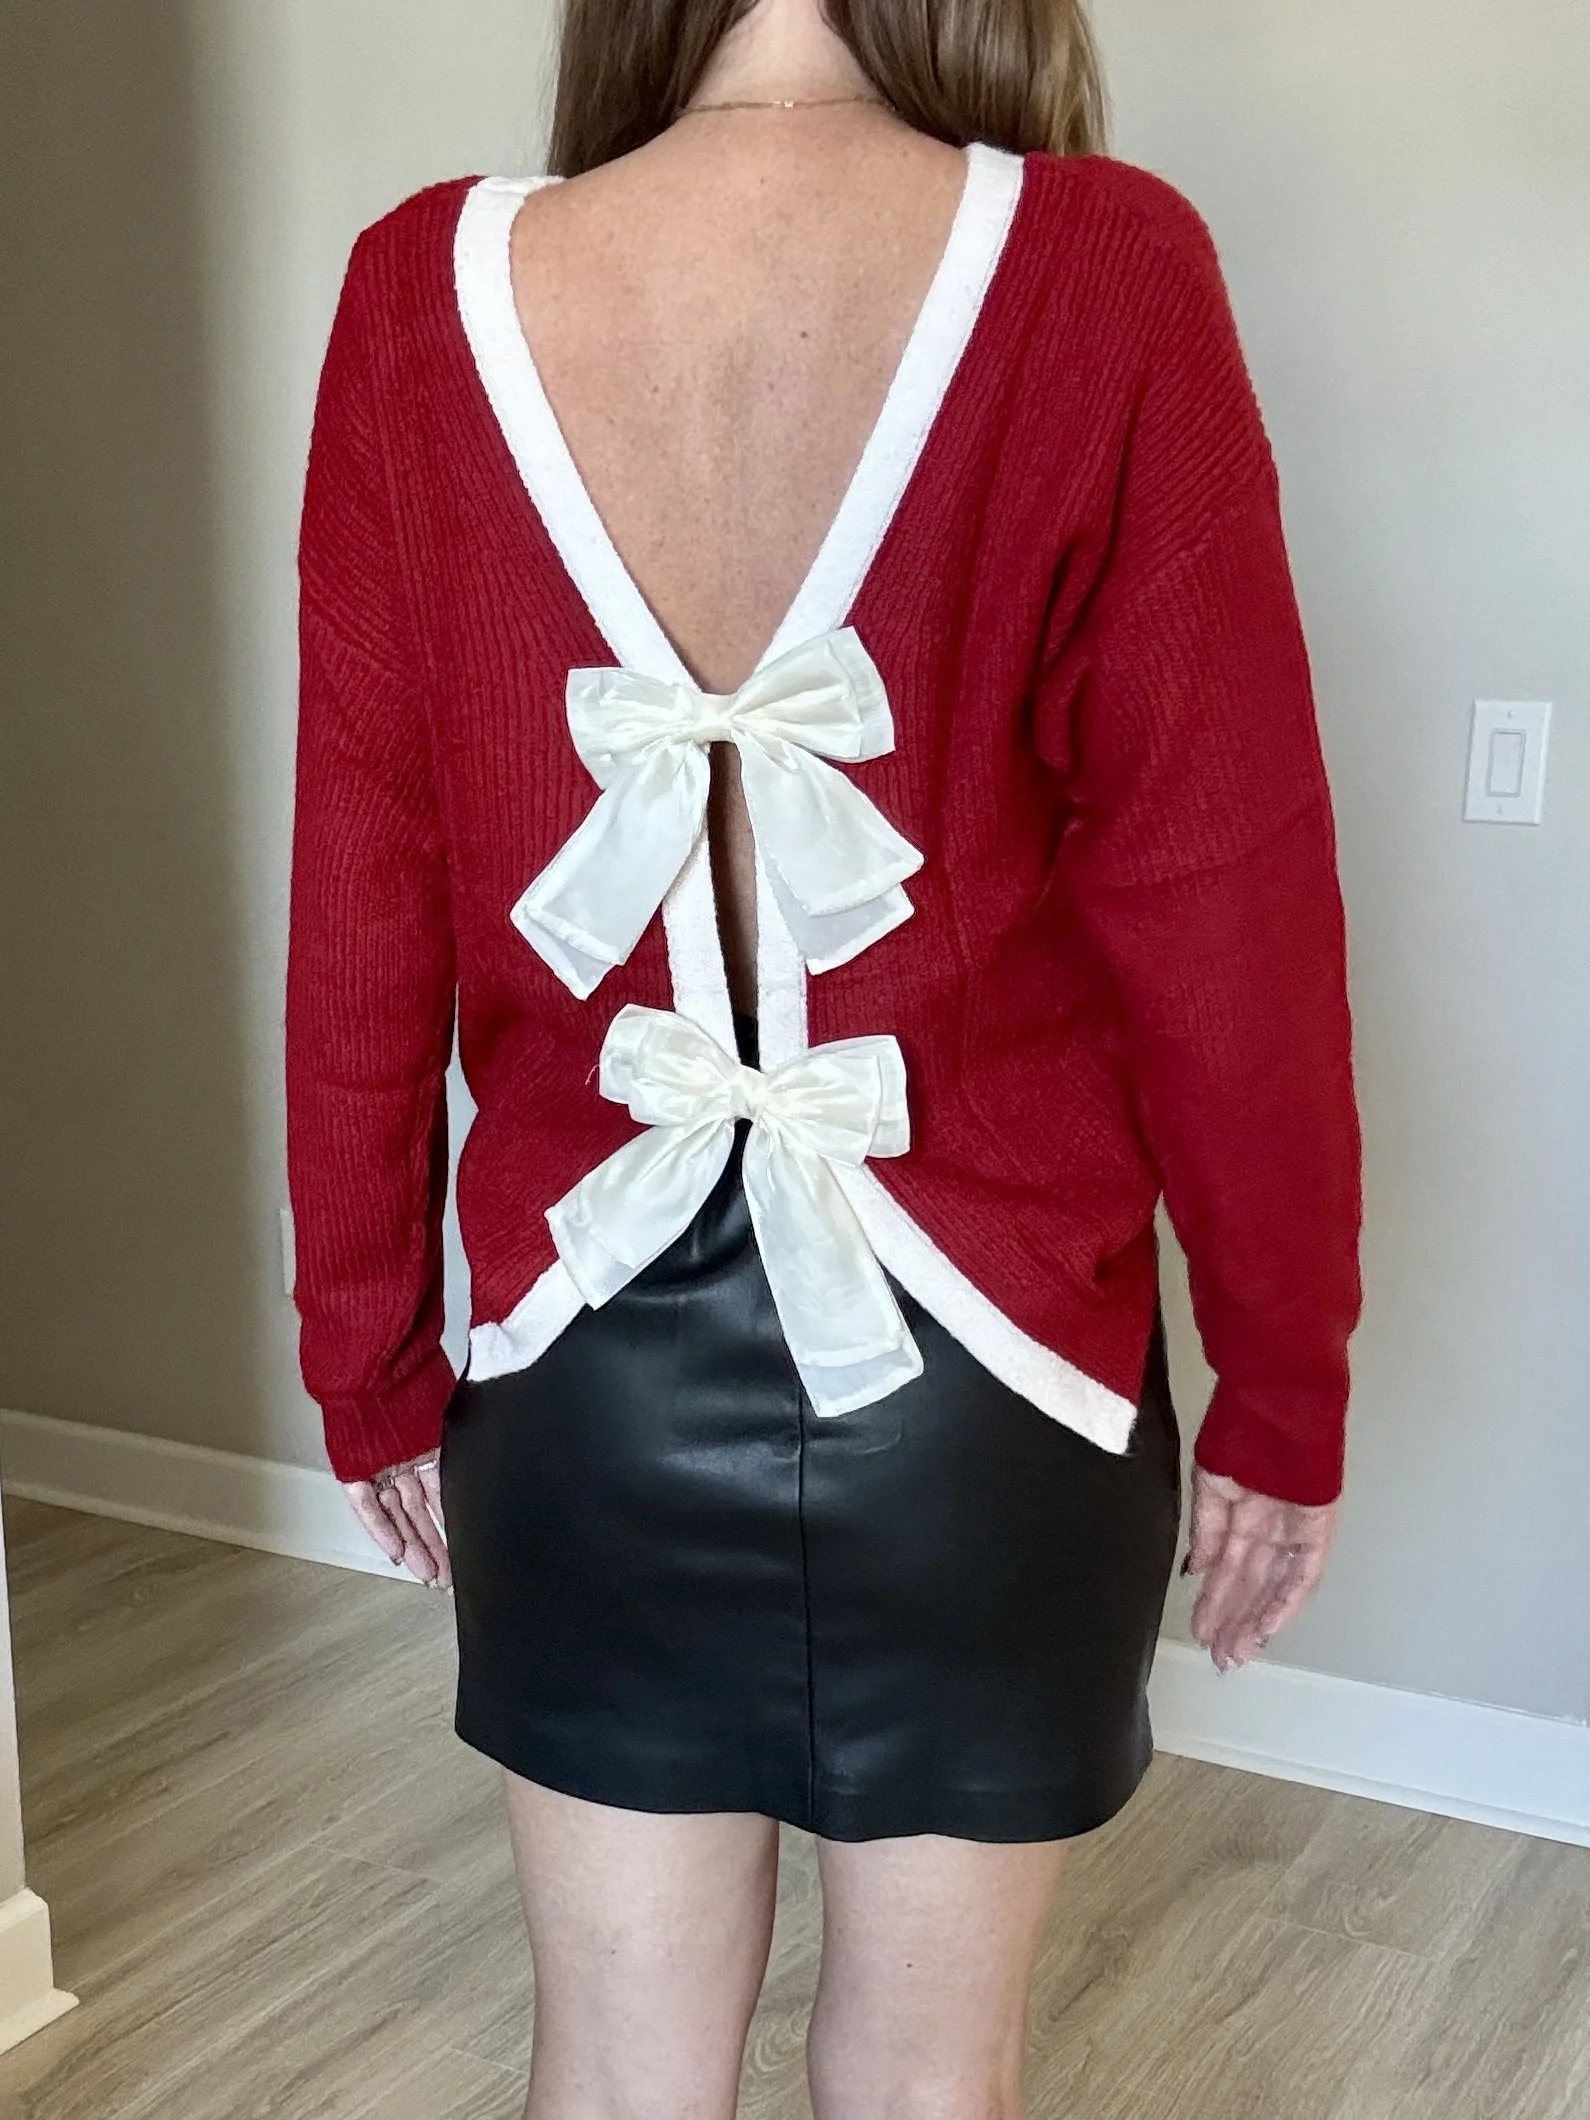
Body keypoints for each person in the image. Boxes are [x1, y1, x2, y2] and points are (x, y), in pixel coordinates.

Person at [284, 0, 1363, 2111]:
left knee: (615, 2073)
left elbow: (363, 893)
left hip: (579, 1377)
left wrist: (368, 1348)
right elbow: (1224, 907)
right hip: (999, 1393)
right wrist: (1282, 1387)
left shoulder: (417, 293)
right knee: (936, 2078)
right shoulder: (1109, 266)